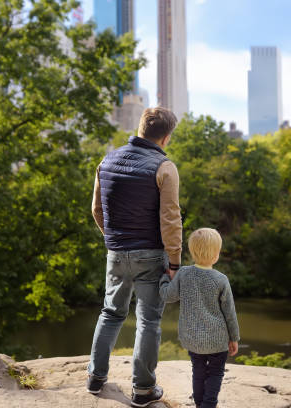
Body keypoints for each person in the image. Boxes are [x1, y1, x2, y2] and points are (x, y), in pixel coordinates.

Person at [87, 107, 183, 407]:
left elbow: (96, 209)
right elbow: (170, 219)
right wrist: (175, 261)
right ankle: (142, 390)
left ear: (140, 127)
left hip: (115, 252)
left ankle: (95, 377)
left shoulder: (106, 161)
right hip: (151, 255)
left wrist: (114, 239)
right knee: (148, 322)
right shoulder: (164, 167)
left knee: (111, 312)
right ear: (166, 138)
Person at [159, 228, 240, 408]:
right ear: (216, 255)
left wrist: (164, 278)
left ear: (192, 251)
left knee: (199, 371)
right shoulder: (221, 279)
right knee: (216, 373)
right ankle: (208, 404)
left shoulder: (184, 274)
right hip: (218, 340)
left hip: (193, 339)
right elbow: (230, 313)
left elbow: (167, 296)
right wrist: (234, 338)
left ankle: (200, 404)